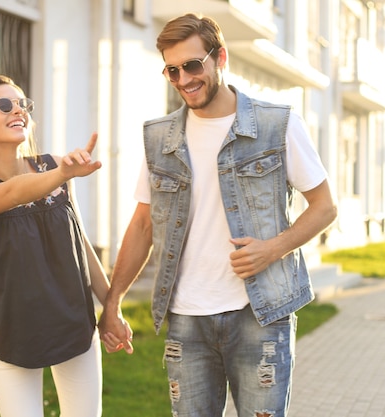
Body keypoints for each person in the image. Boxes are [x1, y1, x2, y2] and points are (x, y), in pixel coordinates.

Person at [98, 13, 337, 417]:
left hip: (259, 313)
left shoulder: (275, 124)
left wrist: (272, 249)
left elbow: (325, 206)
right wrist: (112, 301)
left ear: (219, 57)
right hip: (186, 318)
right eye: (172, 71)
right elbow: (143, 224)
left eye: (193, 65)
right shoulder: (160, 139)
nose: (184, 79)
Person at [0, 75, 123, 417]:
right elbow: (10, 193)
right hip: (15, 338)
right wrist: (62, 176)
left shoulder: (54, 166)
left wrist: (112, 307)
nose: (18, 110)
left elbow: (81, 242)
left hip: (75, 329)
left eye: (23, 103)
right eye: (6, 104)